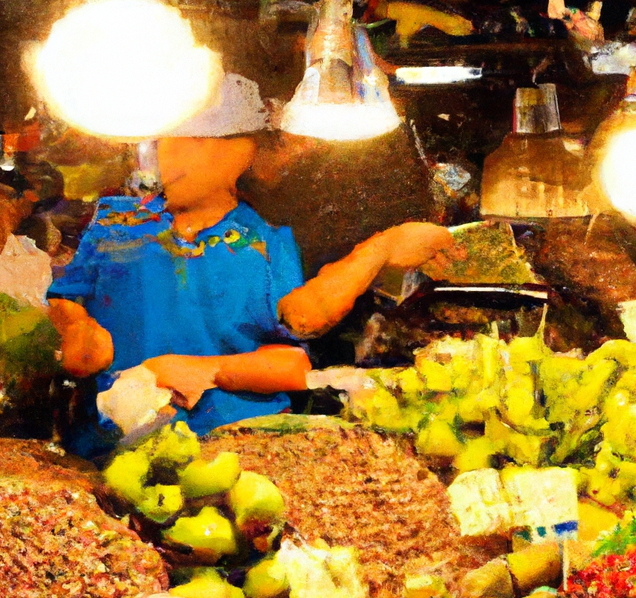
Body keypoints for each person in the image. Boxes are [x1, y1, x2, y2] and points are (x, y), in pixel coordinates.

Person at [46, 73, 452, 446]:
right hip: (107, 449)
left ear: (242, 155)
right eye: (168, 140)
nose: (174, 156)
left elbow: (294, 360)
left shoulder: (268, 239)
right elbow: (65, 297)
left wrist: (204, 371)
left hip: (238, 448)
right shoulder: (116, 221)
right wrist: (76, 327)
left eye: (199, 142)